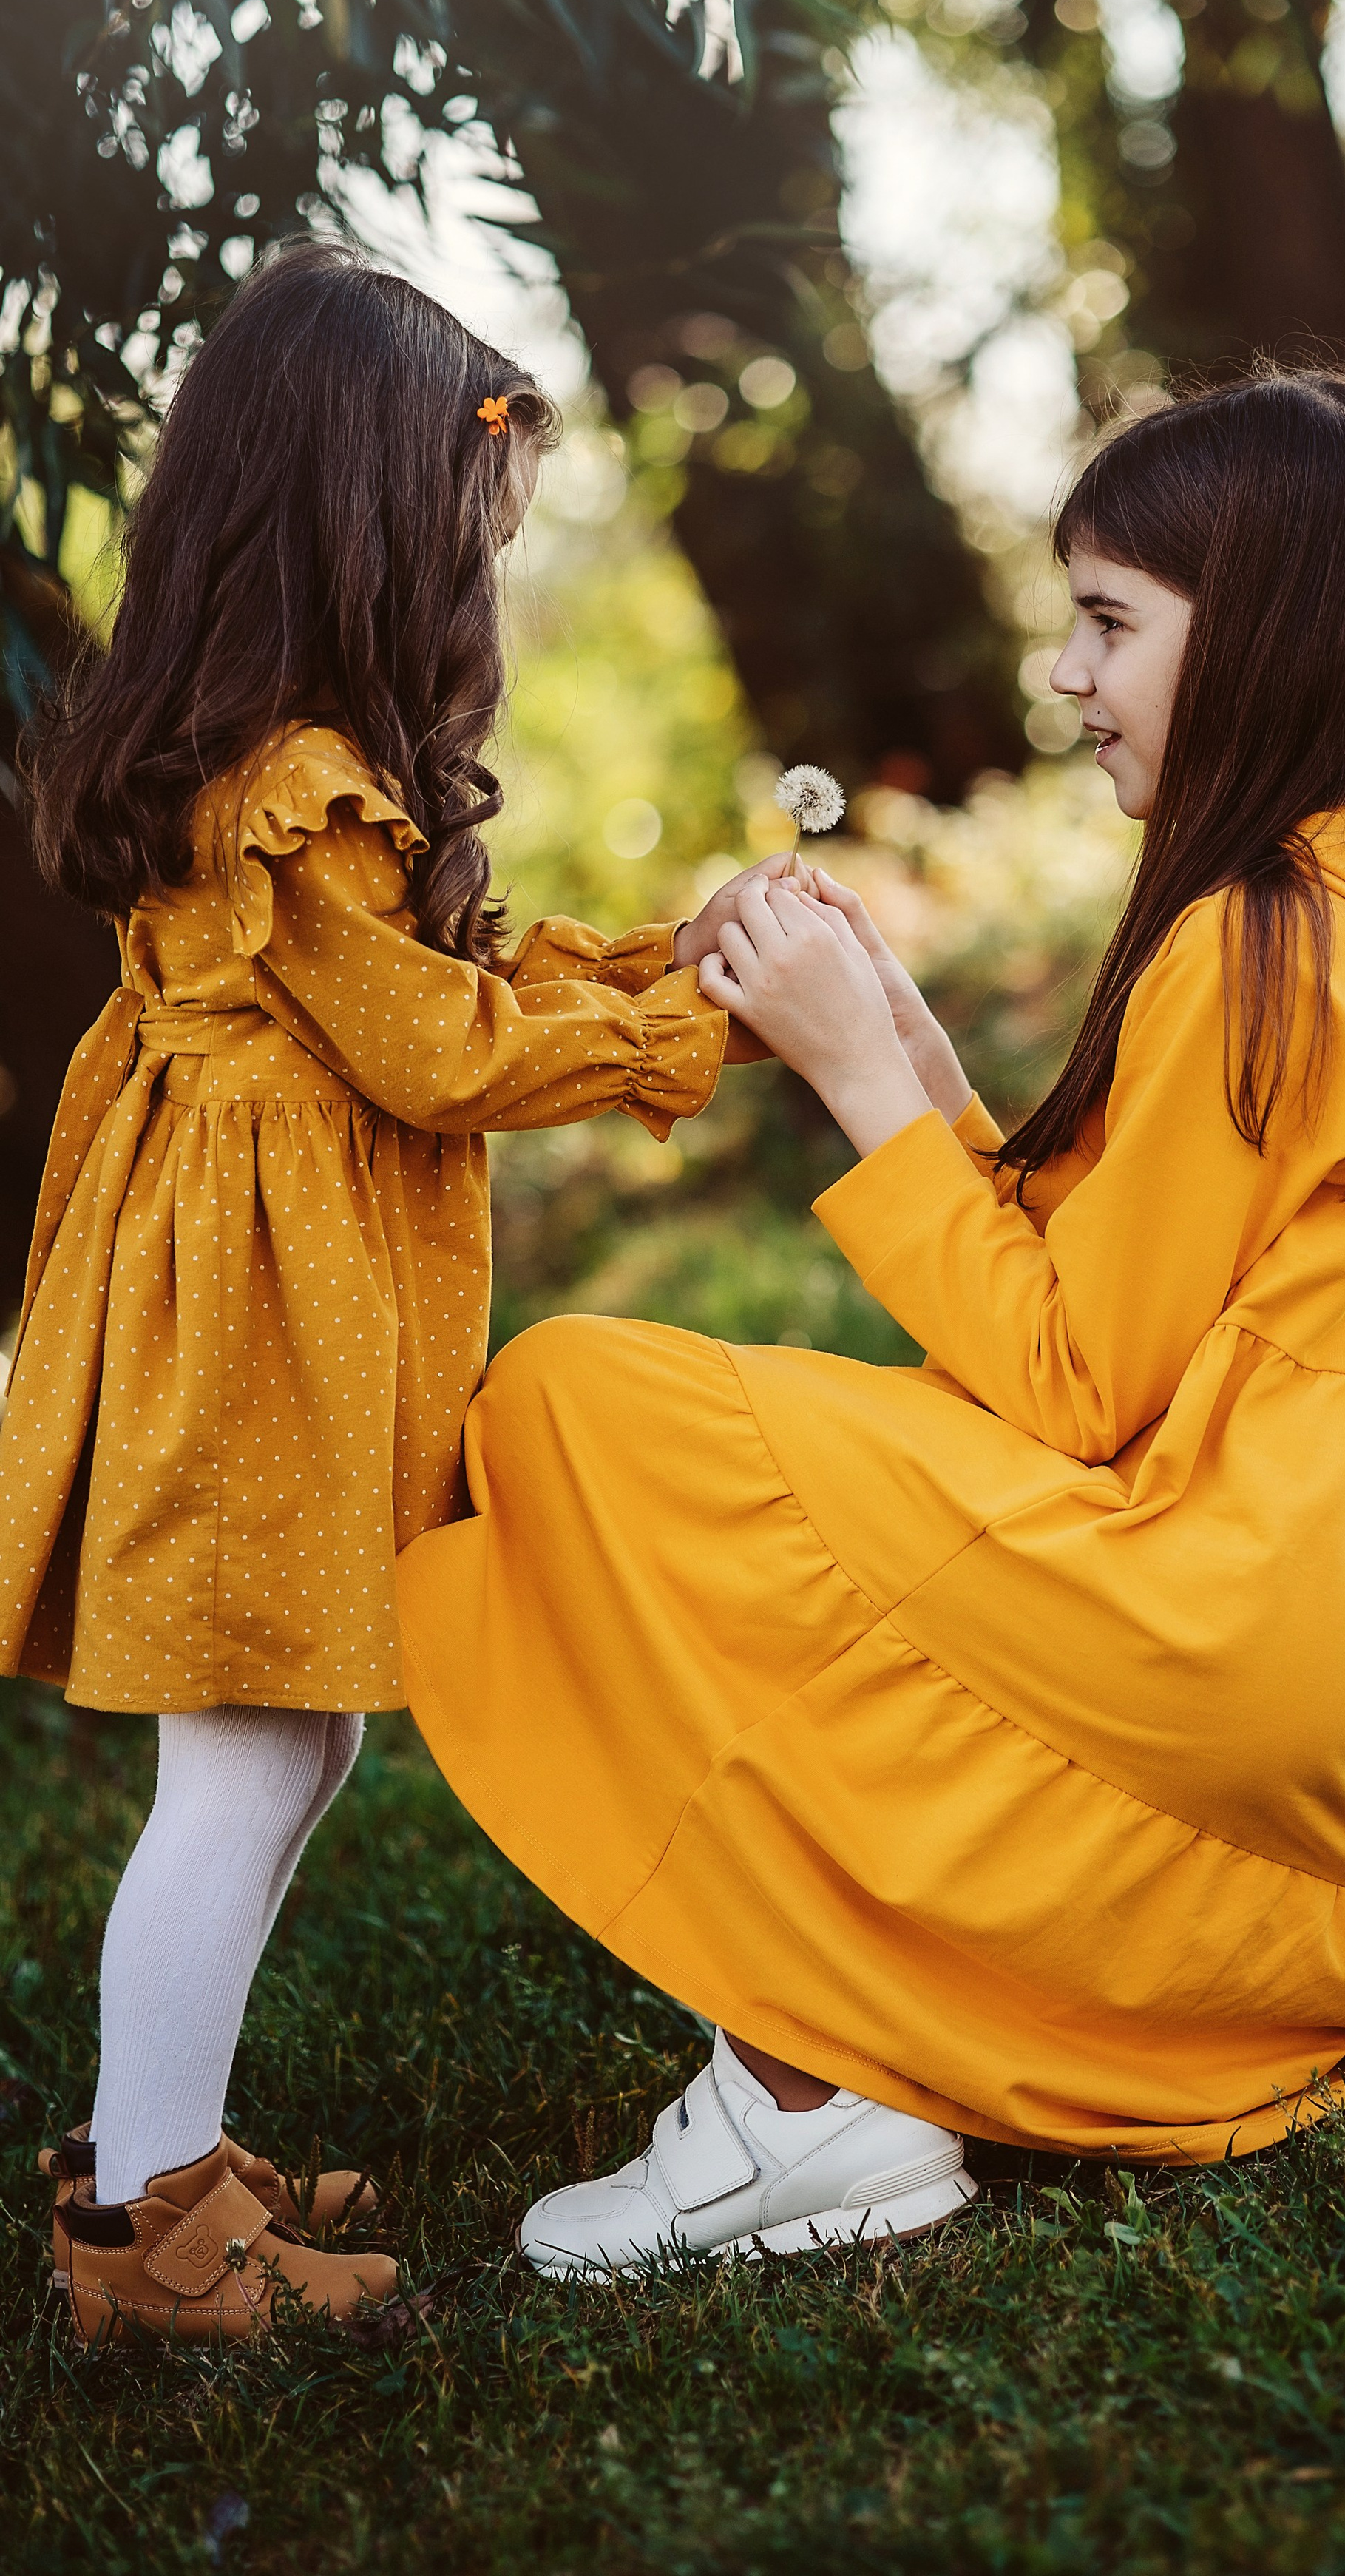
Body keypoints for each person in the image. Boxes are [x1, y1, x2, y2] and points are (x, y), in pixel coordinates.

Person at [396, 367, 1345, 2276]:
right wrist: (919, 1058)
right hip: (1304, 1653)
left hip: (1206, 1614)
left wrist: (866, 1084)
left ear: (1268, 626)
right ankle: (868, 2055)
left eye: (1112, 623)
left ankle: (809, 2096)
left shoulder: (1262, 936)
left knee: (574, 1404)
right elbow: (1107, 1295)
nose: (1066, 673)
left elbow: (1068, 1388)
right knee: (737, 1460)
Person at [1, 240, 779, 2341]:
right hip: (247, 1311)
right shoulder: (286, 778)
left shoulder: (290, 759)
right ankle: (149, 2235)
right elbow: (436, 1053)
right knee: (246, 1762)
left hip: (273, 1295)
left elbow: (434, 986)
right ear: (370, 512)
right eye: (474, 532)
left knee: (300, 1743)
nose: (484, 585)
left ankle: (162, 2146)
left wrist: (650, 966)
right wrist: (678, 1043)